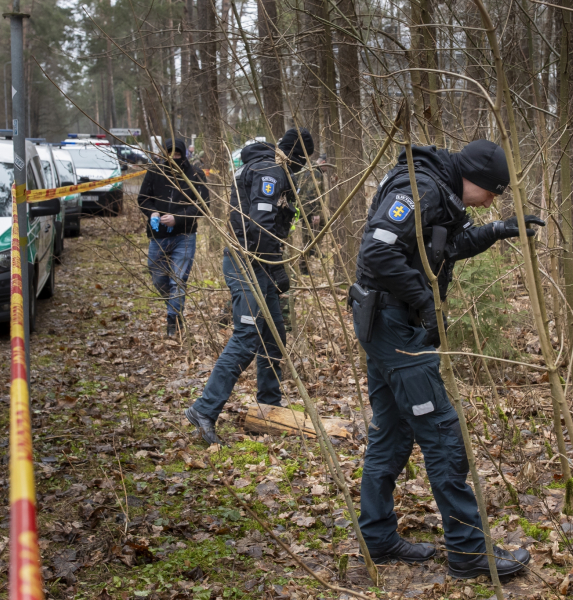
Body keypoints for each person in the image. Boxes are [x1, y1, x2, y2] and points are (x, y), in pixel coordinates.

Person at [350, 140, 543, 578]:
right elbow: (377, 252)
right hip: (395, 328)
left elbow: (444, 247)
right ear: (474, 178)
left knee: (392, 434)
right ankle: (470, 553)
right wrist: (424, 304)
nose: (494, 199)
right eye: (494, 191)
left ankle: (377, 538)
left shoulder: (439, 189)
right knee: (442, 437)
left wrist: (497, 230)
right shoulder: (419, 188)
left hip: (389, 325)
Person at [185, 128, 314, 446]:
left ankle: (268, 406)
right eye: (302, 160)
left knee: (274, 334)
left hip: (260, 264)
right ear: (296, 155)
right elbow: (258, 227)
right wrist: (276, 267)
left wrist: (274, 267)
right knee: (247, 336)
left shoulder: (267, 167)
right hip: (248, 263)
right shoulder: (269, 171)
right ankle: (204, 409)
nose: (300, 167)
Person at [138, 139, 210, 337]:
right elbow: (143, 198)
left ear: (183, 154)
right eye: (170, 155)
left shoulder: (195, 174)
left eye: (177, 155)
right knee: (158, 277)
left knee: (178, 279)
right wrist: (152, 212)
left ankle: (173, 322)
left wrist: (178, 218)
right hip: (158, 236)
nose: (174, 158)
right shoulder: (155, 171)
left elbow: (204, 204)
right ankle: (174, 306)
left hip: (184, 235)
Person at [295, 154, 327, 274]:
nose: (327, 170)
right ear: (323, 162)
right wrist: (315, 213)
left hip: (303, 208)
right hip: (308, 210)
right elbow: (311, 194)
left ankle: (314, 248)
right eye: (326, 167)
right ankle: (304, 267)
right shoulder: (316, 172)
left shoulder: (307, 168)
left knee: (325, 222)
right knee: (307, 238)